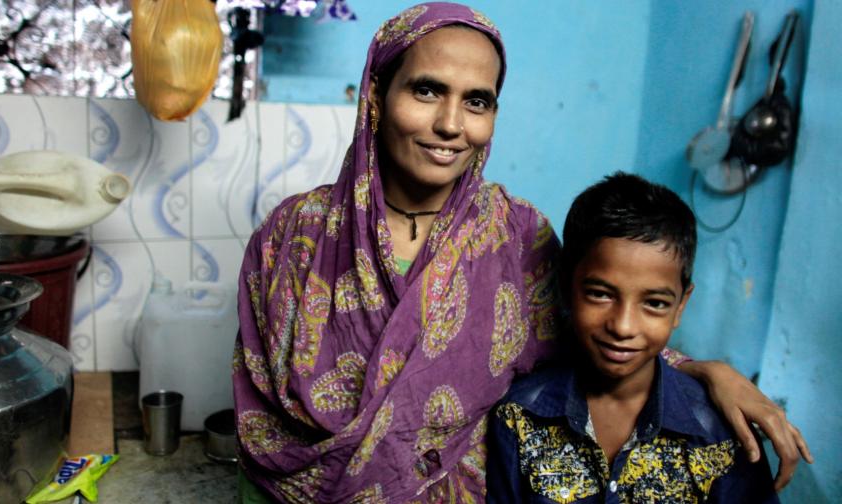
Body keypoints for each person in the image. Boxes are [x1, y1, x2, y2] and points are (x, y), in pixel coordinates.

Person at [232, 4, 809, 503]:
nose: (451, 124)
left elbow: (589, 332)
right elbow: (259, 411)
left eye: (477, 101)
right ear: (378, 95)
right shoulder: (294, 237)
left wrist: (705, 372)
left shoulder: (513, 235)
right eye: (427, 89)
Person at [487, 172, 778, 503]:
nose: (623, 326)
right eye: (601, 294)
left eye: (654, 303)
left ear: (681, 306)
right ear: (567, 288)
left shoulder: (719, 434)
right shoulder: (520, 418)